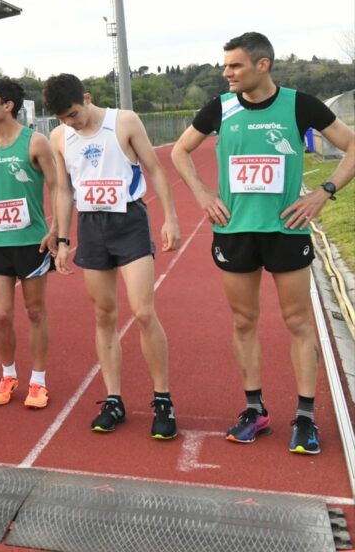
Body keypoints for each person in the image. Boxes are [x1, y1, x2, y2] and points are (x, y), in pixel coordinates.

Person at [171, 32, 354, 455]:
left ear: (262, 65)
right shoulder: (221, 107)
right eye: (225, 65)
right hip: (235, 232)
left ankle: (305, 416)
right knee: (243, 321)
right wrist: (202, 194)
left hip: (287, 229)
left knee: (297, 322)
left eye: (234, 65)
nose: (226, 73)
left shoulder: (300, 104)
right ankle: (255, 409)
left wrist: (322, 192)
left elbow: (351, 146)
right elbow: (181, 152)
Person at [44, 74, 181, 439]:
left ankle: (163, 399)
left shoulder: (124, 121)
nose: (69, 122)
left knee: (143, 311)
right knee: (104, 314)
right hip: (91, 227)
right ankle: (114, 399)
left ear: (86, 98)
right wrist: (61, 239)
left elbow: (154, 168)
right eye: (62, 118)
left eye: (73, 113)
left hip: (129, 221)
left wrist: (170, 218)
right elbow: (62, 189)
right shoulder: (60, 137)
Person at [0, 78, 60, 409]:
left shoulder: (36, 142)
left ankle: (38, 380)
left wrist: (57, 229)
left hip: (32, 242)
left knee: (35, 311)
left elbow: (58, 187)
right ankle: (8, 375)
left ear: (7, 105)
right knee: (2, 314)